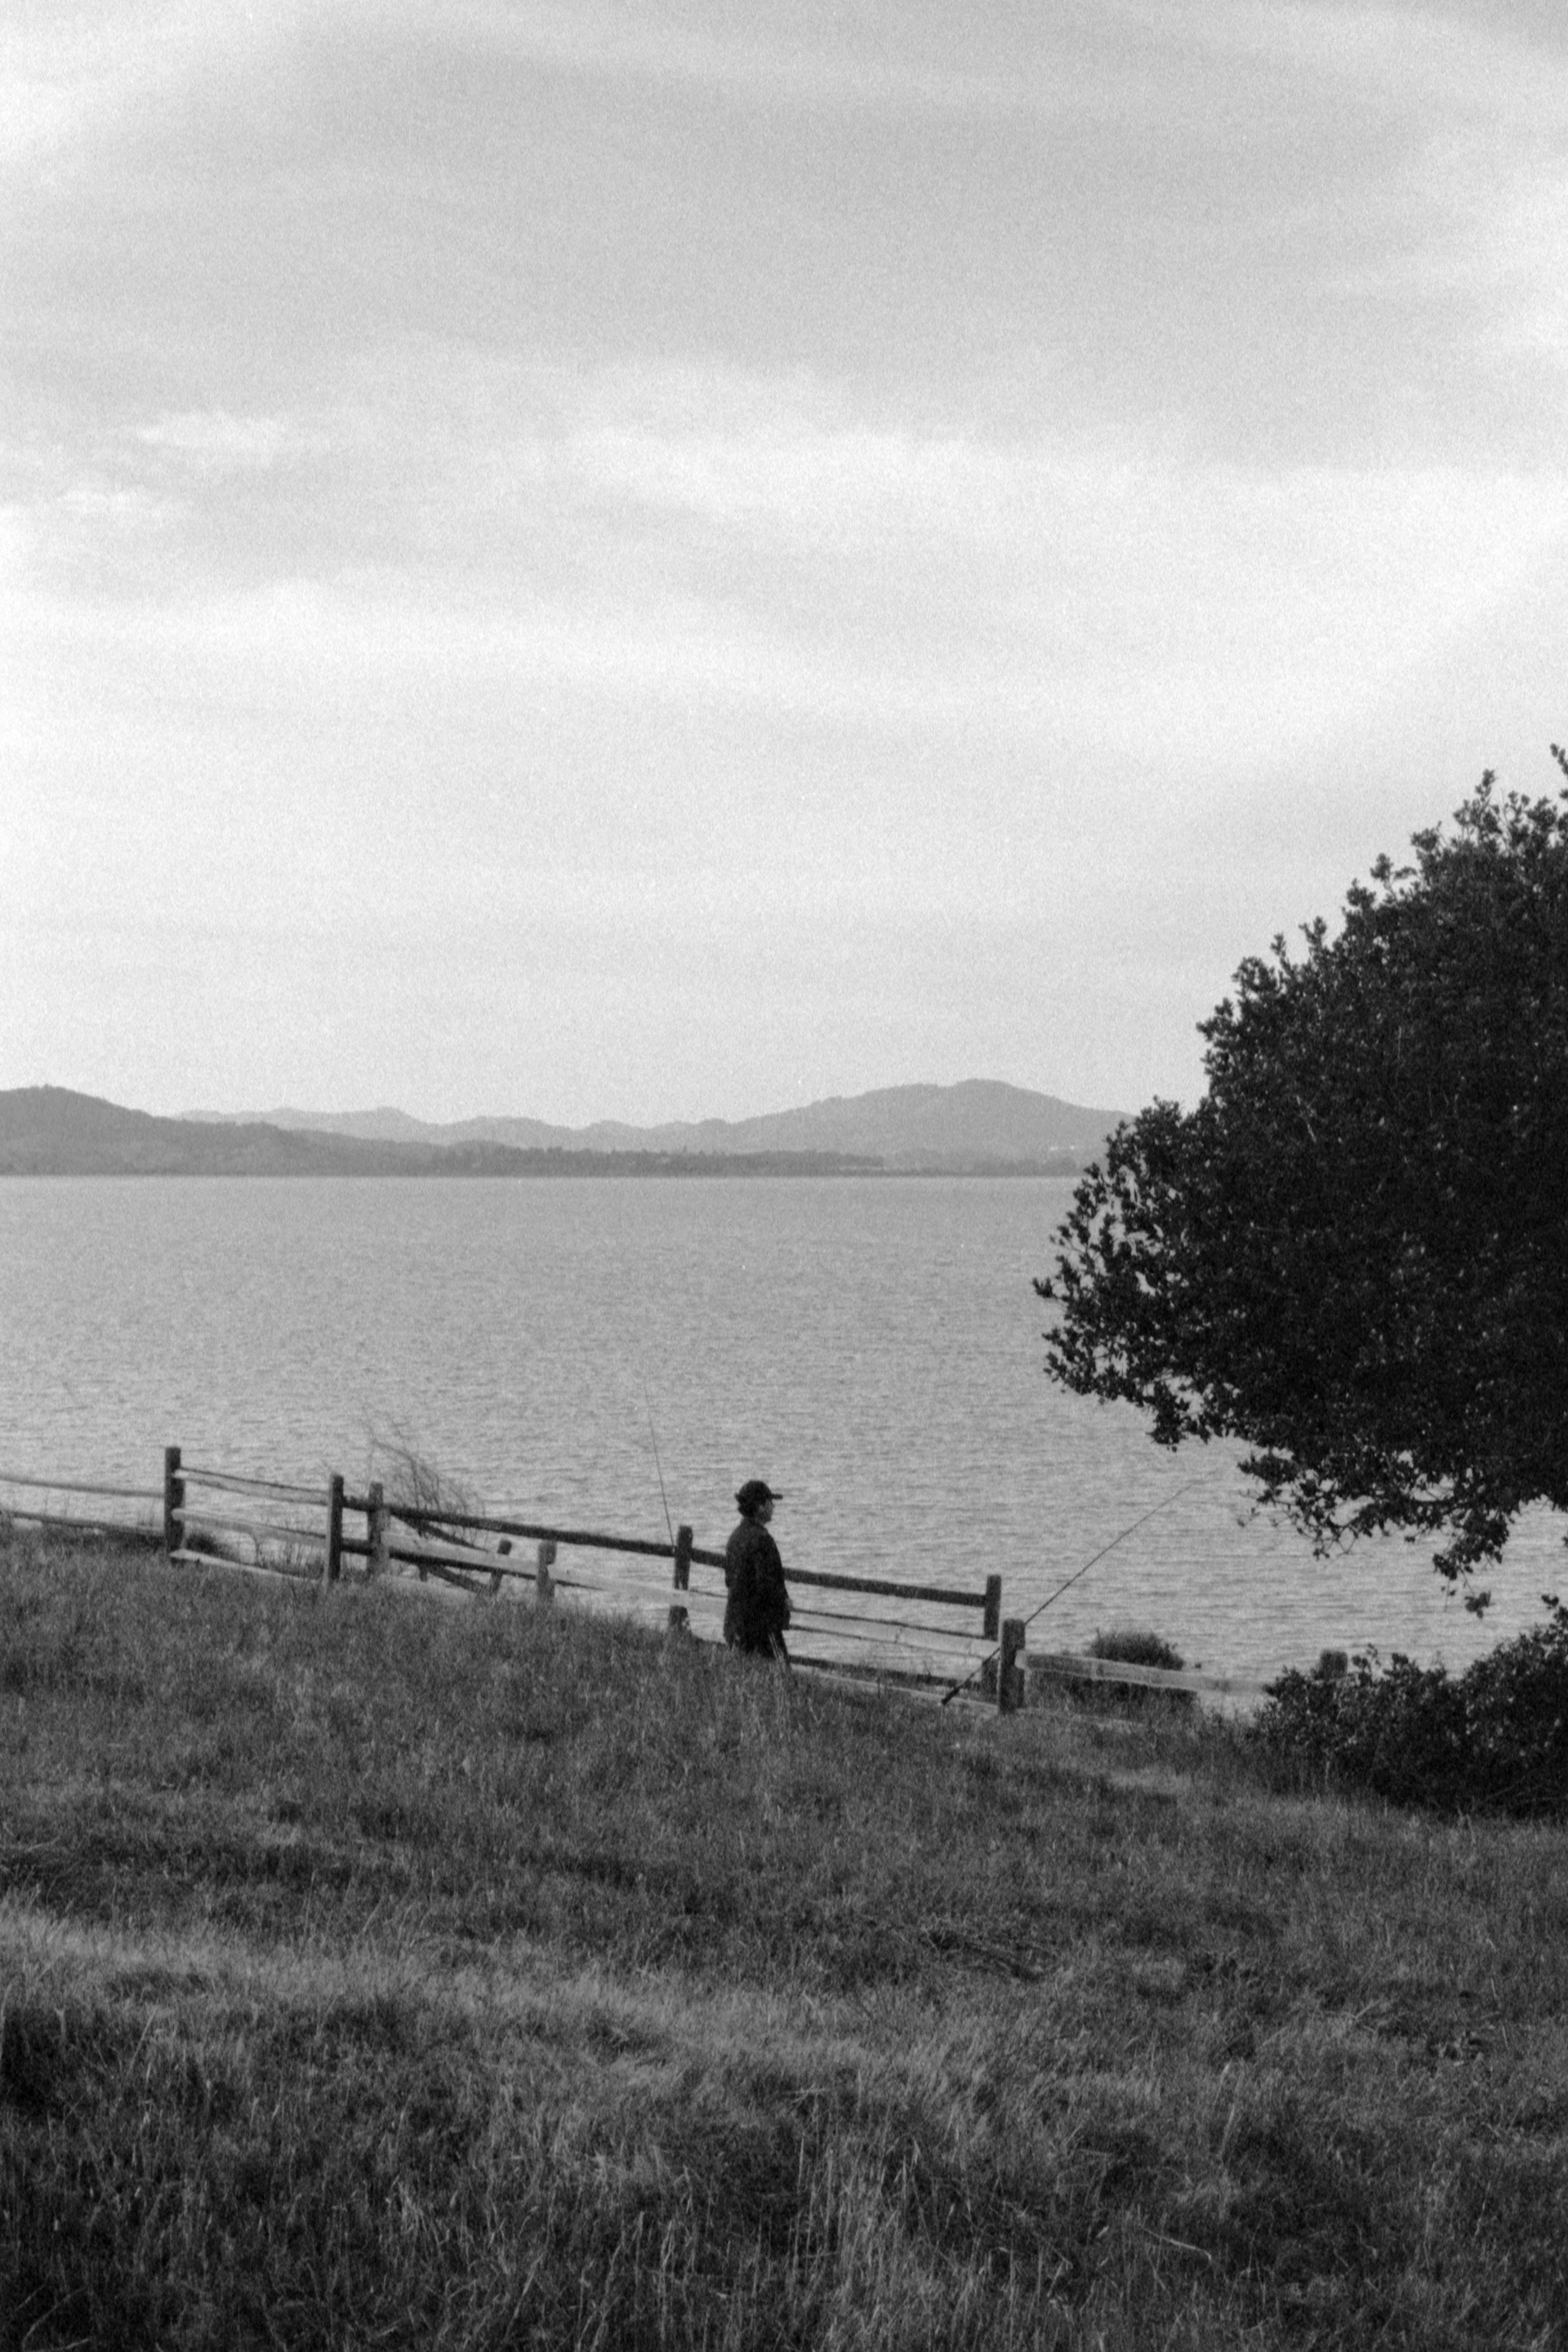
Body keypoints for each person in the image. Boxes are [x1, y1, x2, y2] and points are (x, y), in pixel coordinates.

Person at [724, 1479, 791, 1660]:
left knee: (742, 1677)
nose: (773, 1507)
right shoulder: (762, 1539)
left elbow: (729, 1579)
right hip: (761, 1629)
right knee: (780, 1676)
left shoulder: (735, 1537)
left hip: (734, 1623)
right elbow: (768, 1584)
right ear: (760, 1507)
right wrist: (784, 1601)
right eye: (770, 1502)